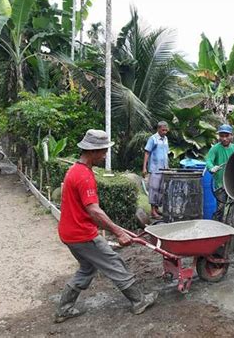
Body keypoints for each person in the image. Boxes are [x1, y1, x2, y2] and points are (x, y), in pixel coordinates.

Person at [55, 129, 158, 323]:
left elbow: (85, 210)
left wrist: (114, 228)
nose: (104, 155)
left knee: (87, 268)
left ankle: (64, 308)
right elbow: (94, 211)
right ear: (93, 152)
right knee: (114, 263)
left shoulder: (75, 170)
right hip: (81, 234)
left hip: (69, 232)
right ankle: (139, 301)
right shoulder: (84, 177)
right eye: (103, 151)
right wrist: (119, 232)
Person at [205, 124, 234, 221]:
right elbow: (209, 161)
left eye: (227, 135)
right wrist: (212, 167)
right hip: (220, 183)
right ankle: (218, 227)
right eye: (221, 136)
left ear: (232, 136)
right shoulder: (215, 148)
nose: (224, 138)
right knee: (220, 207)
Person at [142, 121, 169, 219]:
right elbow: (147, 153)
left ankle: (157, 209)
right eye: (163, 130)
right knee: (154, 189)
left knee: (162, 190)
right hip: (155, 169)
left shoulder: (165, 139)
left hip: (164, 169)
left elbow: (166, 153)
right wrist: (144, 167)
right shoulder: (153, 139)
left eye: (166, 130)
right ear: (158, 129)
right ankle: (153, 211)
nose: (165, 132)